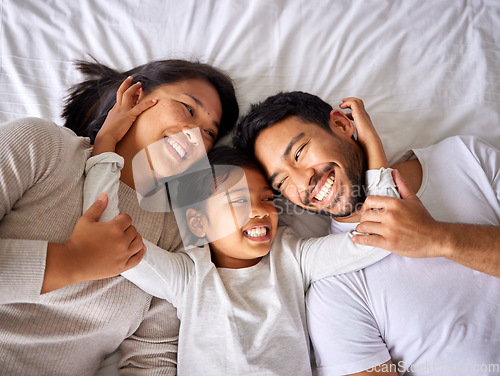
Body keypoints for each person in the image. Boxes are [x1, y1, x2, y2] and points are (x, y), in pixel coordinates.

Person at [81, 91, 399, 375]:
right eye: (237, 201)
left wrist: (371, 145)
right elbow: (109, 232)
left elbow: (379, 237)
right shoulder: (188, 276)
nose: (260, 210)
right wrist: (106, 141)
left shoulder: (293, 258)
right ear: (198, 223)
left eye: (266, 197)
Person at [0, 59, 238, 375]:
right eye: (188, 109)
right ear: (135, 97)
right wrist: (72, 260)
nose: (195, 133)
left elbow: (153, 356)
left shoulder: (177, 232)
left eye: (209, 132)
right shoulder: (41, 146)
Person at [234, 92, 500, 375]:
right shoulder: (333, 288)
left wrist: (439, 238)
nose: (303, 182)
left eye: (299, 153)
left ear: (342, 124)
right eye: (283, 181)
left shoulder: (465, 157)